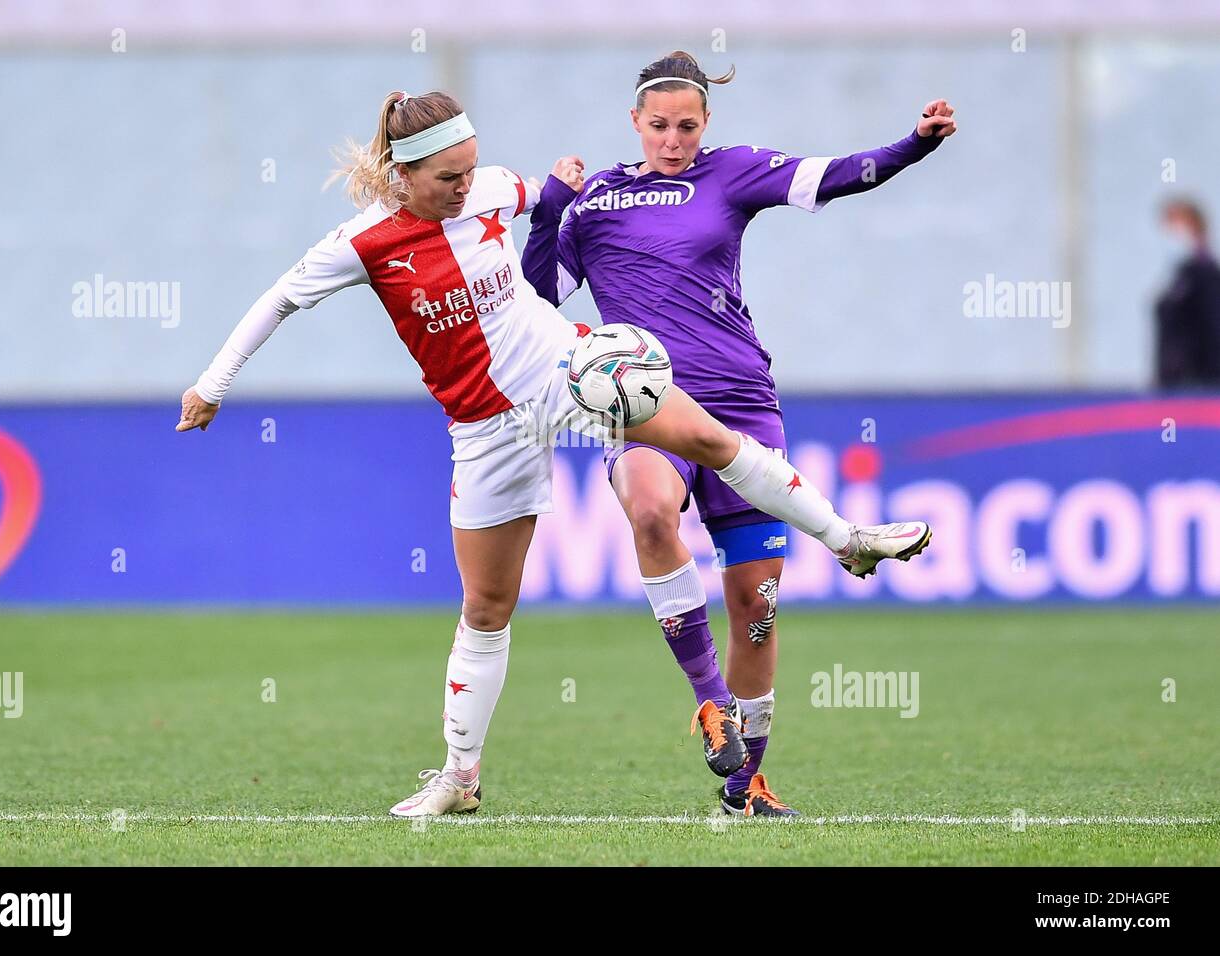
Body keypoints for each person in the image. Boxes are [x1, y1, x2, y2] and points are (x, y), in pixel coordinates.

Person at [176, 89, 929, 818]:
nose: (466, 186)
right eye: (449, 178)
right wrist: (212, 385)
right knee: (485, 608)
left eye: (472, 170)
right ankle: (459, 777)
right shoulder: (361, 244)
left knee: (709, 439)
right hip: (485, 431)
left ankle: (845, 539)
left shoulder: (491, 189)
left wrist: (563, 189)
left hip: (570, 373)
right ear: (404, 176)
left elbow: (545, 197)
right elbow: (278, 298)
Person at [522, 51, 951, 816]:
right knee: (650, 509)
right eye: (659, 126)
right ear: (635, 122)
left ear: (705, 123)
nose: (674, 139)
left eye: (687, 126)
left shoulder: (733, 173)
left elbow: (837, 174)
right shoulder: (597, 204)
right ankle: (709, 699)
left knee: (757, 612)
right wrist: (549, 208)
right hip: (651, 406)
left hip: (743, 403)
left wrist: (913, 143)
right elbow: (539, 295)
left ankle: (745, 784)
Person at [1155, 198, 1220, 388]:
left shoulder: (1205, 275)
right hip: (1174, 386)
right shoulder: (1180, 276)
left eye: (1173, 226)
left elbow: (1213, 329)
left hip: (1199, 386)